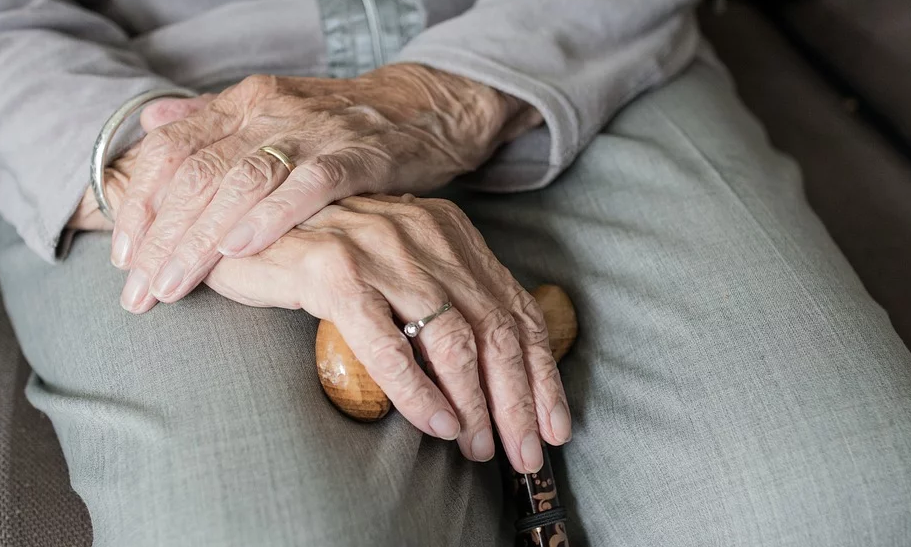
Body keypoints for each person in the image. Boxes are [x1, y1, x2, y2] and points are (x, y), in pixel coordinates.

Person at [1, 0, 909, 545]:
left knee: (849, 503)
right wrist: (168, 176)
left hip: (570, 53)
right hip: (137, 102)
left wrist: (439, 98)